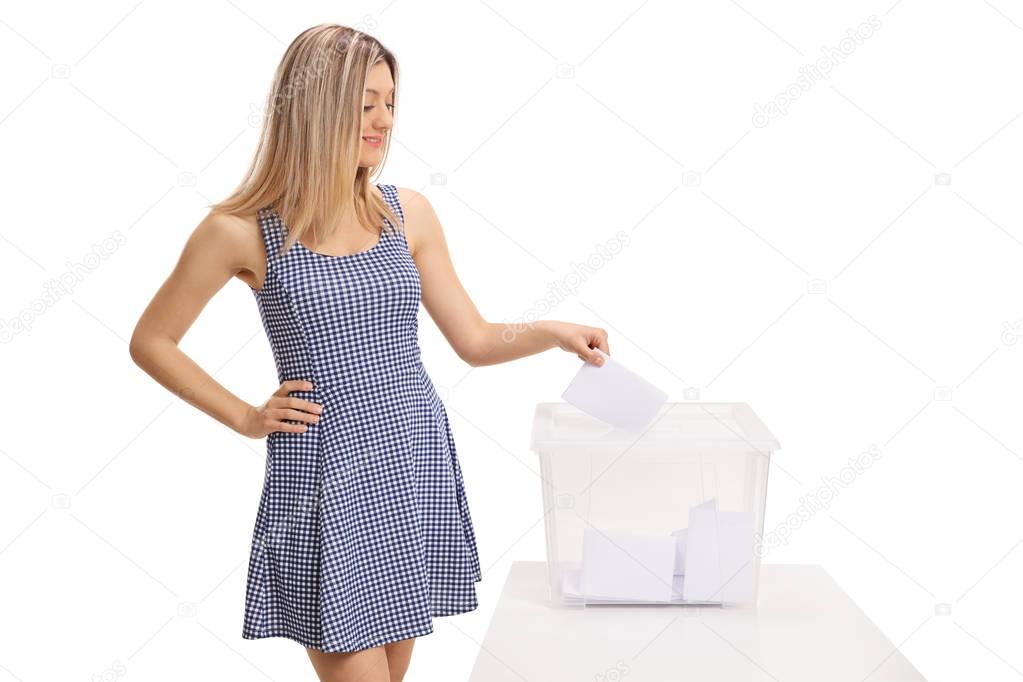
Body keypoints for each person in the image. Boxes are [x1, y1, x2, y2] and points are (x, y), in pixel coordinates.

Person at [128, 23, 610, 682]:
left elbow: (471, 339)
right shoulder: (239, 230)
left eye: (389, 102)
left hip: (412, 461)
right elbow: (152, 341)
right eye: (365, 104)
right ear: (314, 106)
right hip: (325, 475)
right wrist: (244, 416)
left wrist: (549, 330)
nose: (383, 120)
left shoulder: (404, 213)